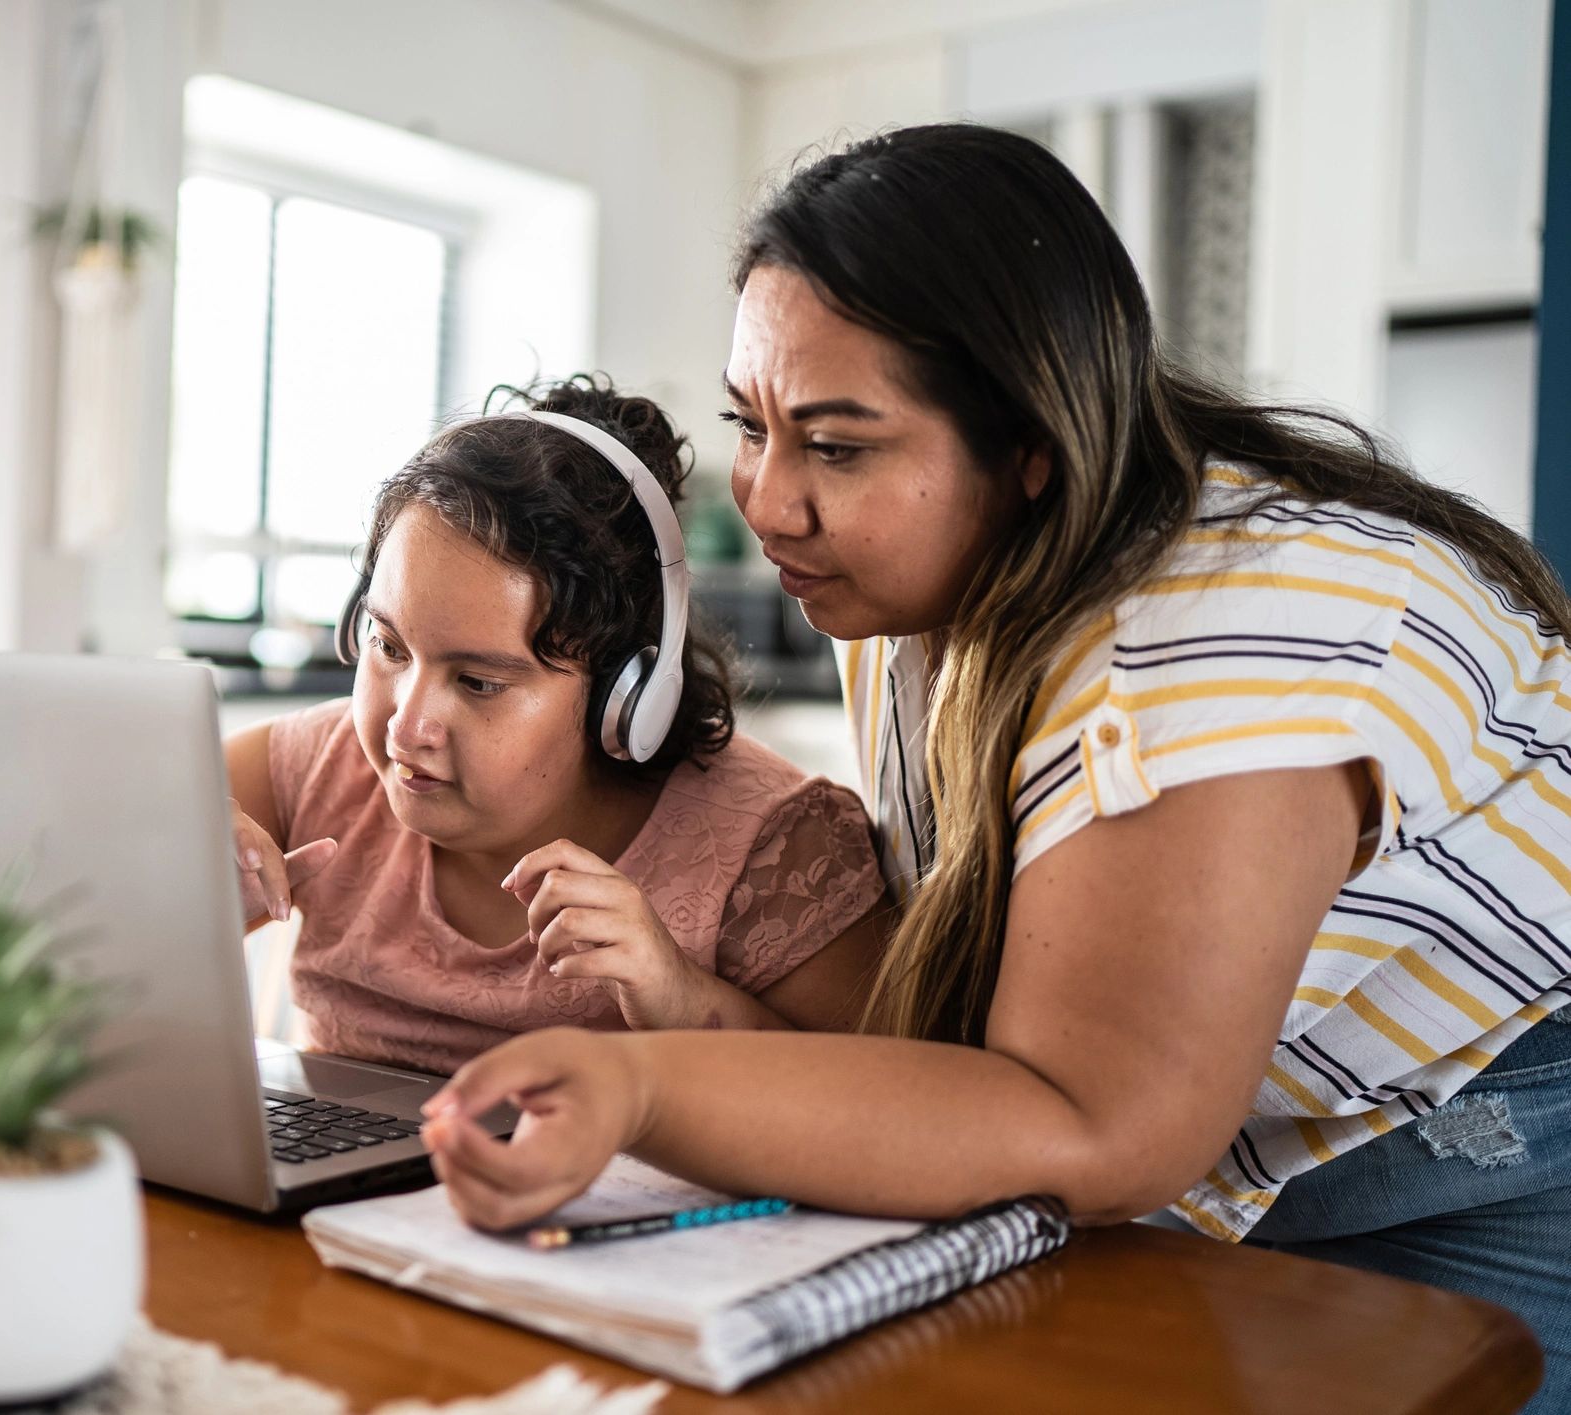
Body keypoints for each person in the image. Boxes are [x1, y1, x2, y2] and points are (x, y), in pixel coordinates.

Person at [417, 127, 1571, 1408]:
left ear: (1030, 443)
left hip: (1491, 1148)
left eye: (840, 446)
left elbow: (1092, 1124)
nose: (772, 500)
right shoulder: (911, 579)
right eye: (752, 424)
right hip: (1237, 1149)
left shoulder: (1223, 637)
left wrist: (642, 1084)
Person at [224, 376, 887, 1078]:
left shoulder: (782, 848)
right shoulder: (318, 766)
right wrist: (174, 902)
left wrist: (680, 996)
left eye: (478, 681)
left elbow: (875, 1106)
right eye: (389, 646)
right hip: (332, 1189)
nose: (407, 726)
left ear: (625, 697)